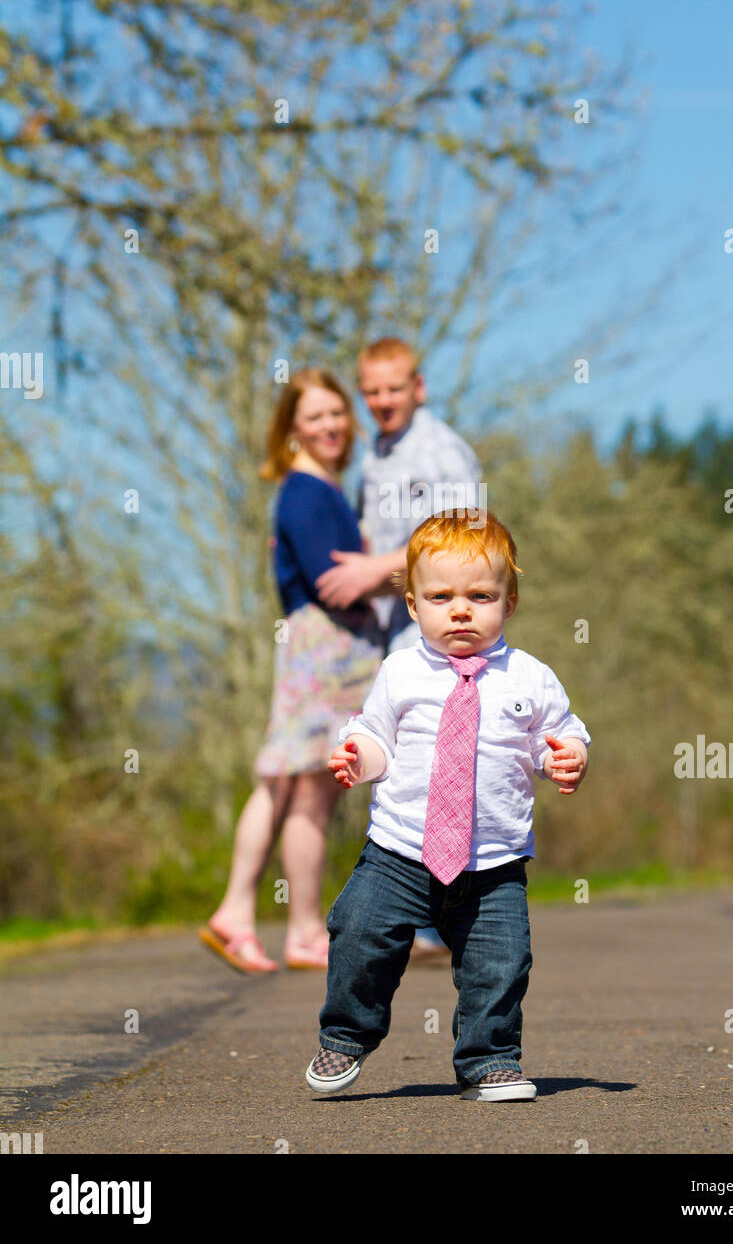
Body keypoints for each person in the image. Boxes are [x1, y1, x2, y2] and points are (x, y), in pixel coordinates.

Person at [305, 511, 591, 1101]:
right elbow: (378, 736)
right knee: (358, 933)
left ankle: (489, 1060)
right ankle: (345, 1036)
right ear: (413, 606)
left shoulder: (530, 678)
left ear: (509, 604)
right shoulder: (401, 671)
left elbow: (556, 735)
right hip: (400, 849)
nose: (460, 609)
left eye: (480, 596)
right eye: (441, 596)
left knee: (501, 963)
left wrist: (567, 756)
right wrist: (359, 756)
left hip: (494, 860)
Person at [199, 369, 382, 973]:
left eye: (337, 413)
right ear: (291, 428)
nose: (330, 425)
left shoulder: (322, 487)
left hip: (328, 650)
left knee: (306, 787)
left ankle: (297, 927)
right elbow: (332, 583)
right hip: (323, 648)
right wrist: (384, 576)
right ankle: (243, 915)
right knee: (289, 781)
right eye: (314, 416)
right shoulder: (305, 490)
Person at [315, 336, 483, 958]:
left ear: (420, 387)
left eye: (395, 388)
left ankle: (444, 916)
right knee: (397, 760)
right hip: (391, 627)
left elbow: (459, 544)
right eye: (373, 391)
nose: (384, 400)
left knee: (439, 757)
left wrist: (373, 571)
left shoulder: (442, 452)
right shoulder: (379, 456)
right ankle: (406, 914)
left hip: (438, 626)